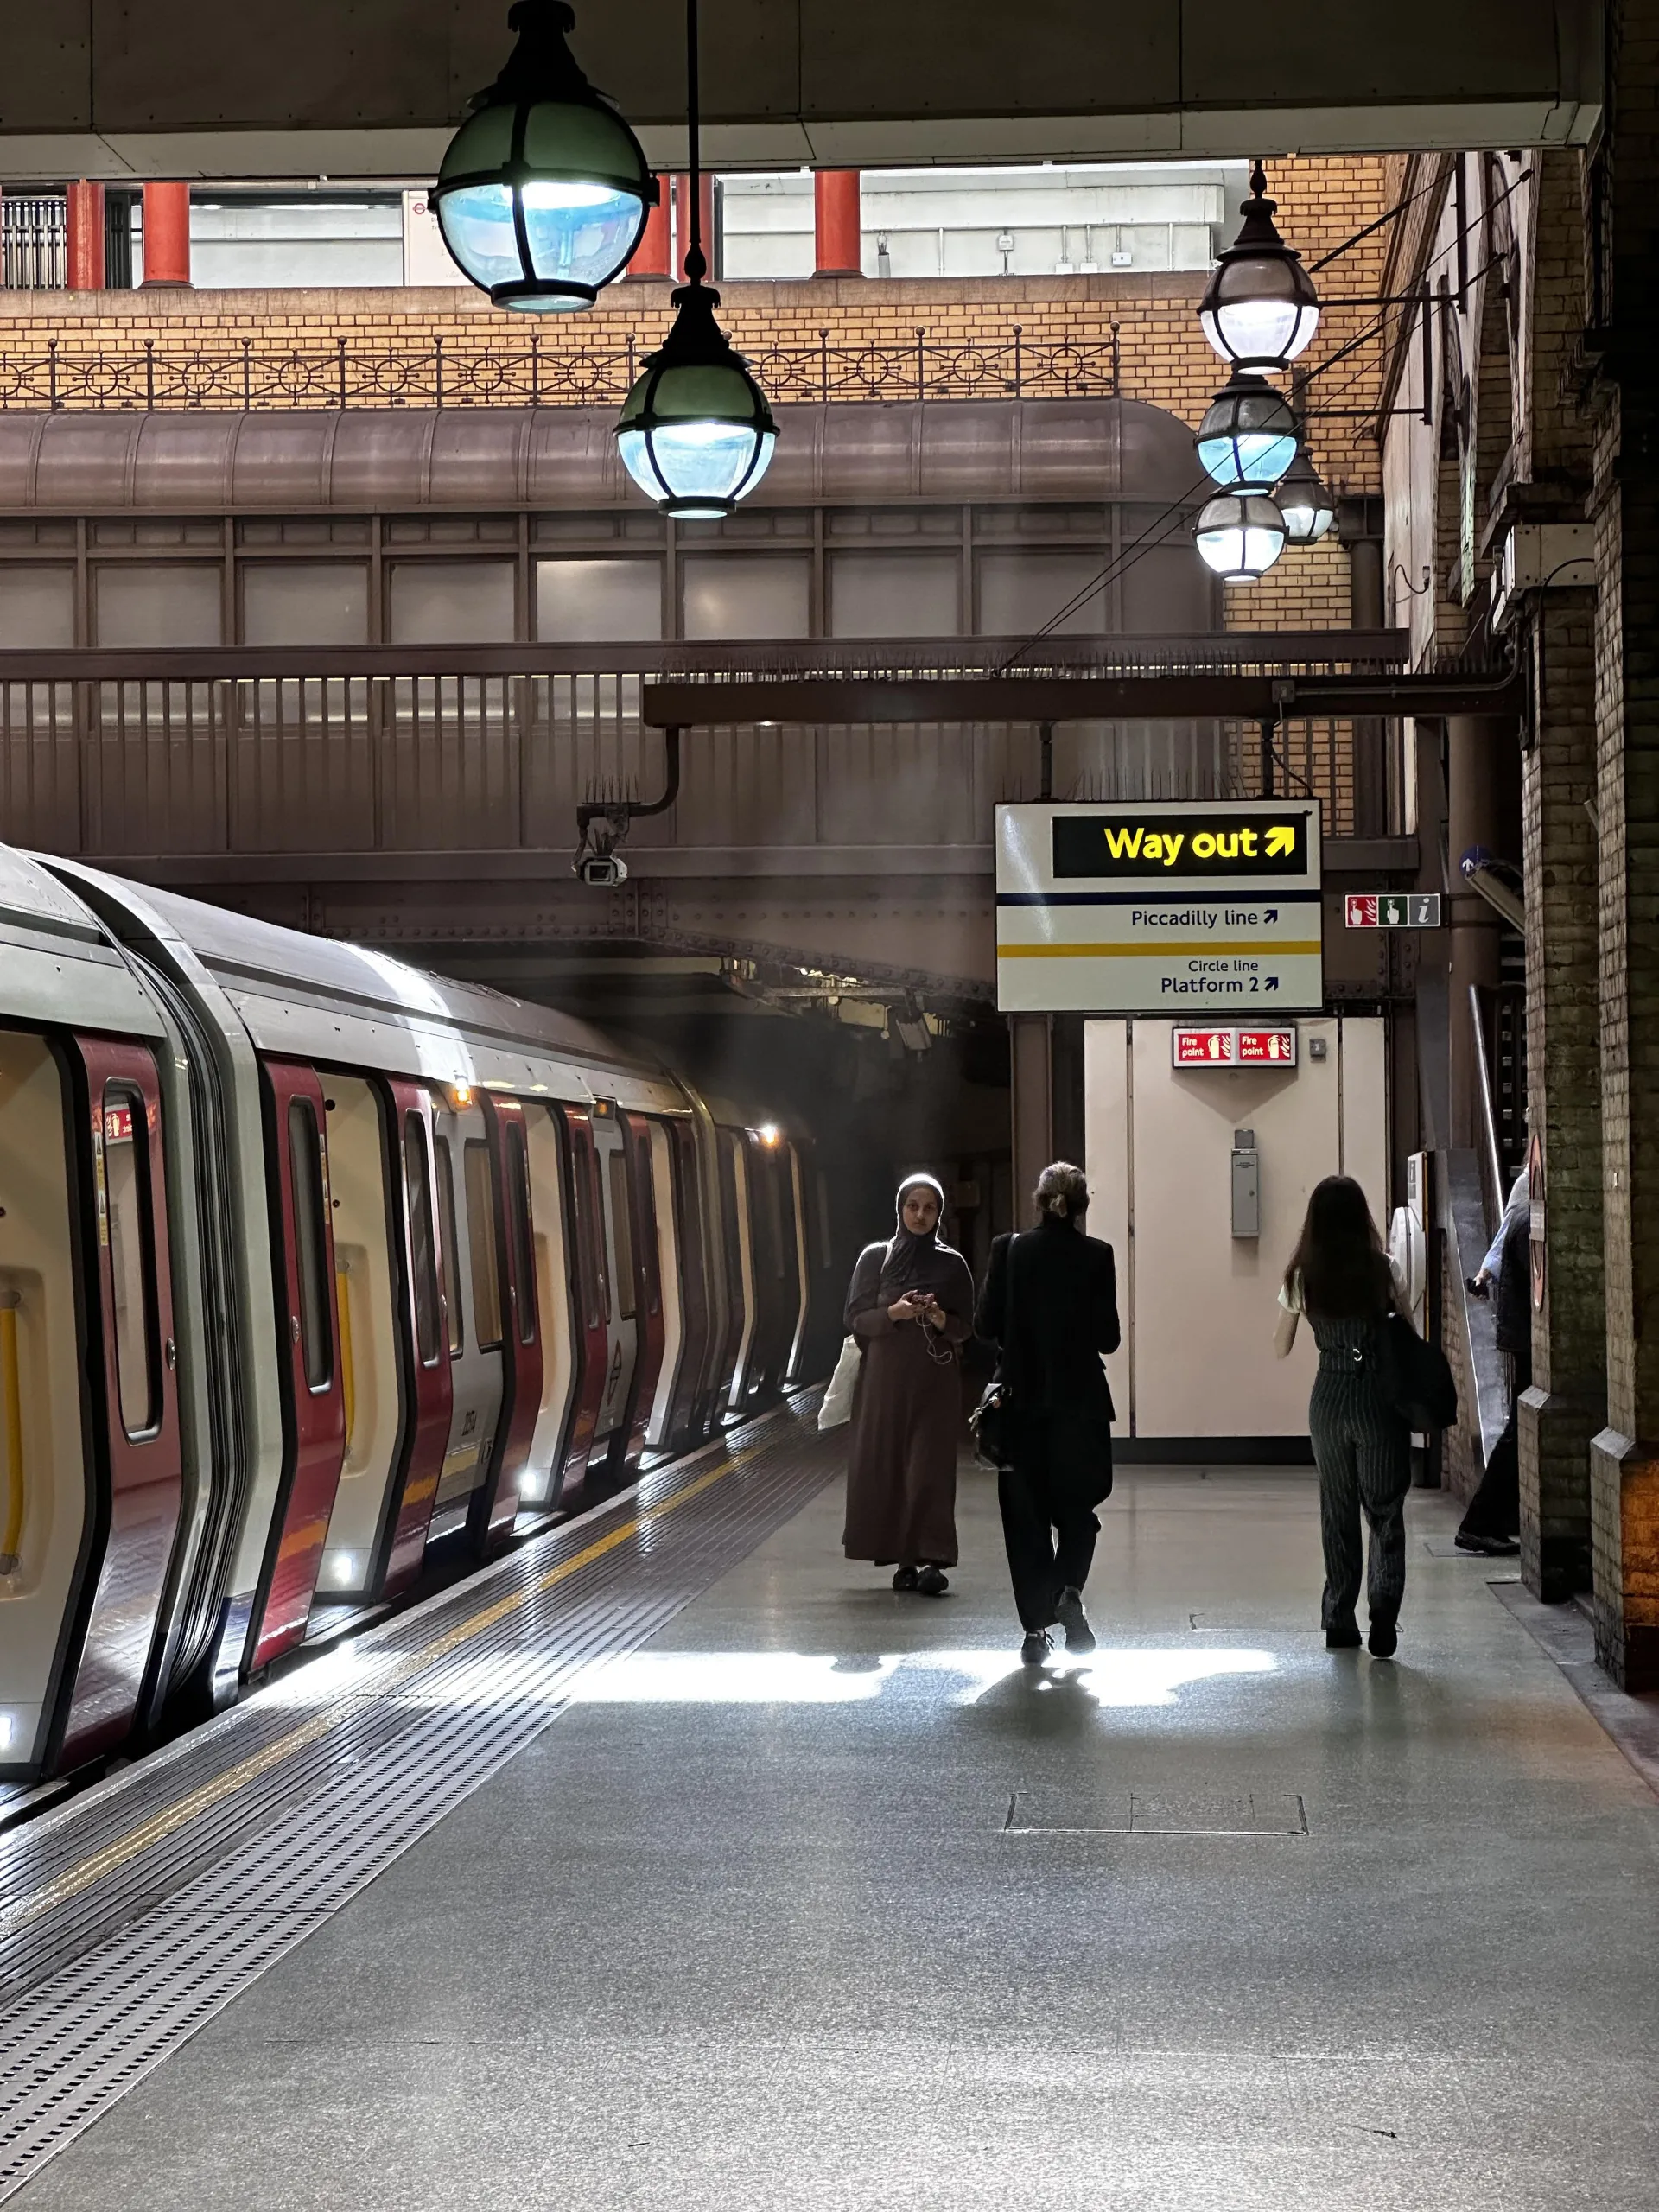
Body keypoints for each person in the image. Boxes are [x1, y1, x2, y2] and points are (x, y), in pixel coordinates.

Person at [976, 1161, 1120, 1666]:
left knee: (1025, 1521)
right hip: (1080, 1408)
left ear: (1038, 1201)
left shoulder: (1007, 1249)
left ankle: (1036, 1634)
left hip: (1018, 1409)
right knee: (1079, 1514)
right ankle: (1069, 1591)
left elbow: (984, 1326)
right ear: (1082, 1205)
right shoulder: (1098, 1256)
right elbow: (1109, 1339)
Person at [1274, 1174, 1412, 1657]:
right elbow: (1406, 1331)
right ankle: (1384, 1619)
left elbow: (1281, 1345)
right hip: (1376, 1397)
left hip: (1327, 1399)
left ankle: (1338, 1618)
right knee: (1385, 1510)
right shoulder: (1384, 1269)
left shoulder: (1301, 1275)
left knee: (1337, 1509)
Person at [842, 1174, 976, 1595]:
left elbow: (967, 1328)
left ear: (939, 1214)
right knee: (890, 1469)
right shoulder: (875, 1258)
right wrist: (896, 1314)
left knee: (929, 1471)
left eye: (929, 1208)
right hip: (883, 1385)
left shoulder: (952, 1264)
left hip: (934, 1384)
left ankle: (933, 1559)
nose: (920, 1215)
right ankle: (902, 1560)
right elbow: (855, 1317)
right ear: (900, 1209)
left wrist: (939, 1319)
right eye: (912, 1206)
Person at [1456, 1170, 1529, 1555]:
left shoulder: (1529, 1190)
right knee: (1519, 1430)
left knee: (1519, 1427)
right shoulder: (1529, 1191)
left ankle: (1489, 1519)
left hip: (1518, 1328)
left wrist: (1486, 1274)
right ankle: (1481, 1521)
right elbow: (1504, 1238)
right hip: (1526, 1330)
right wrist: (1485, 1273)